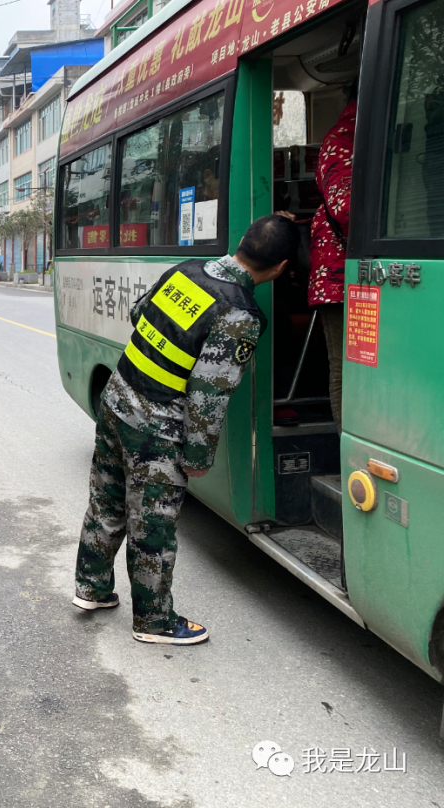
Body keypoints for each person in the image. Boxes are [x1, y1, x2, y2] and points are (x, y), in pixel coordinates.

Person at [73, 215, 299, 645]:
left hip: (117, 398)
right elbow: (208, 395)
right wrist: (197, 457)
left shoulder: (187, 270)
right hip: (154, 427)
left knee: (106, 501)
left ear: (242, 240)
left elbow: (141, 312)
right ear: (282, 267)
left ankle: (92, 587)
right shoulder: (240, 313)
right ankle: (154, 622)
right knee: (153, 525)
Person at [309, 88, 357, 431]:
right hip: (339, 273)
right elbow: (345, 208)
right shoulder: (343, 139)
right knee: (344, 366)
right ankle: (348, 449)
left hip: (358, 271)